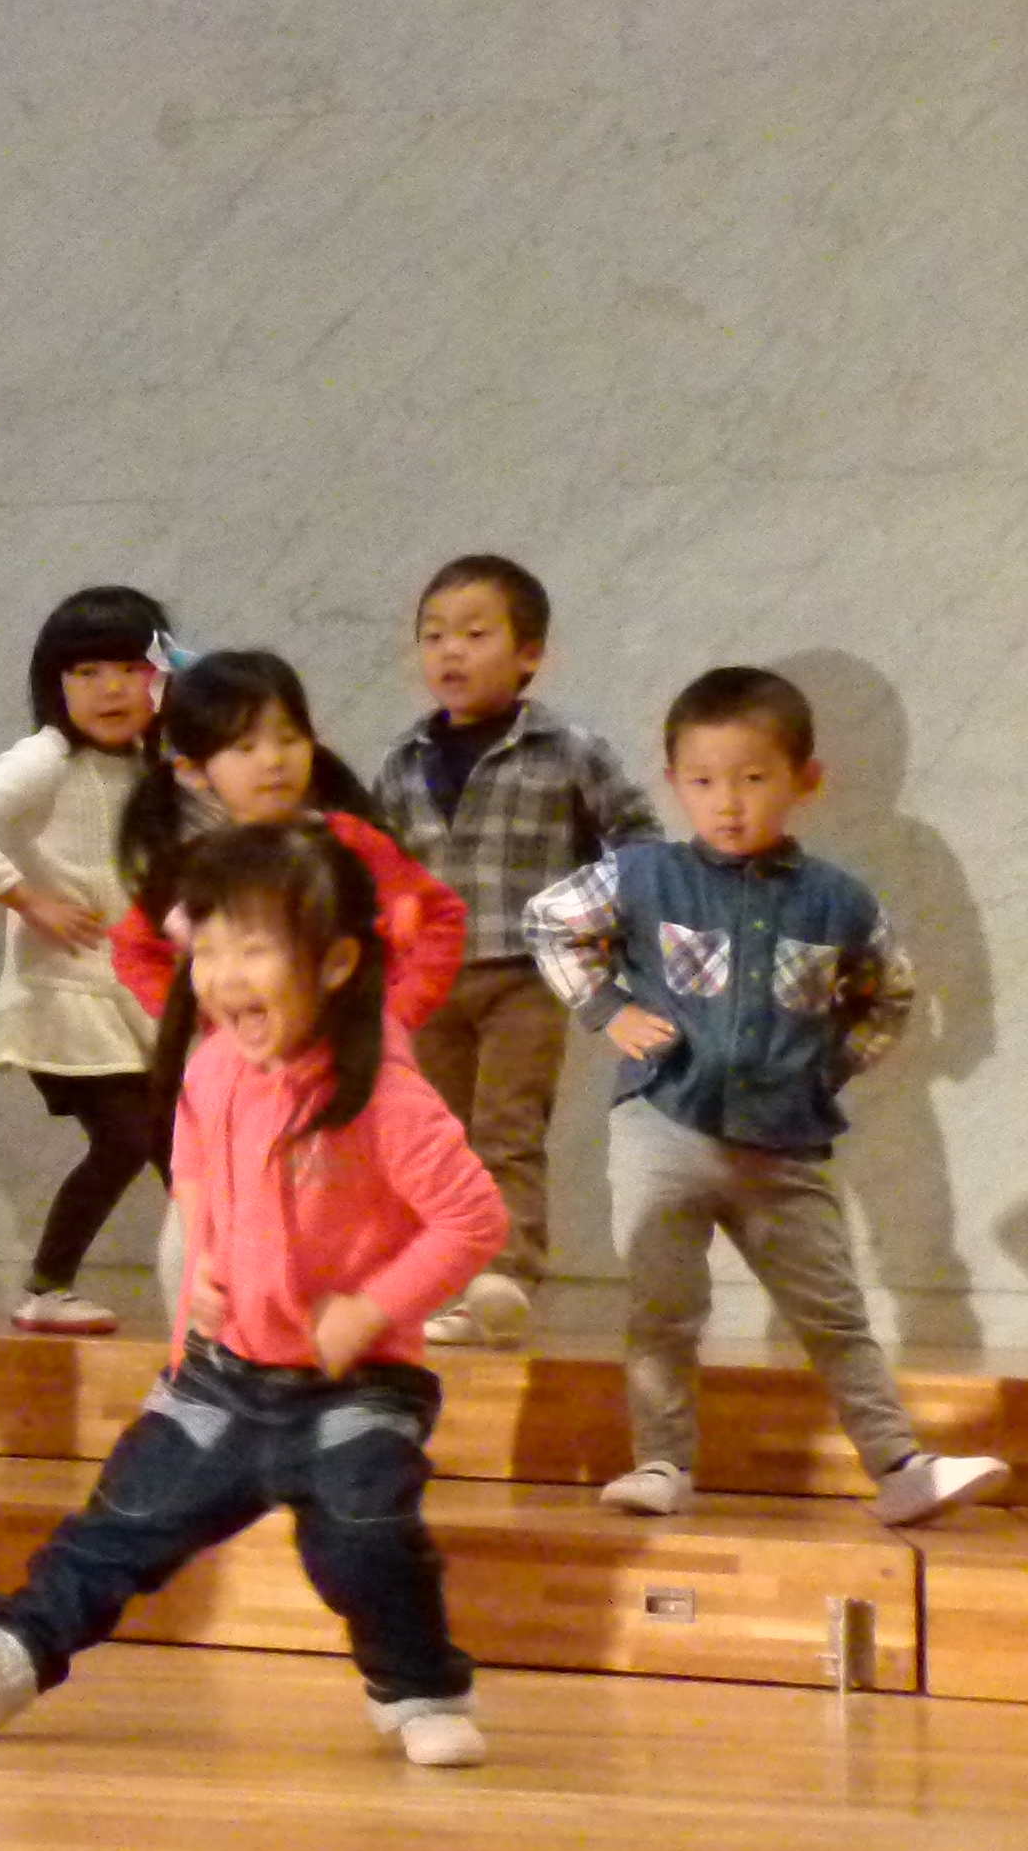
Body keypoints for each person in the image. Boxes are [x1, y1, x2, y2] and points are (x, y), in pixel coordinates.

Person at [0, 824, 502, 1767]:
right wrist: (204, 1262)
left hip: (358, 1386)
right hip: (224, 1373)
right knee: (125, 1519)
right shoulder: (214, 1064)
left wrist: (372, 1309)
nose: (222, 976)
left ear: (337, 963)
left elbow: (472, 1219)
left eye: (253, 950)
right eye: (206, 950)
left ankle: (420, 1690)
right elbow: (197, 1161)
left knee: (362, 1538)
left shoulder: (383, 1093)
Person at [527, 667, 1005, 1528]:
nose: (729, 802)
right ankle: (663, 1461)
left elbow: (888, 993)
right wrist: (607, 1009)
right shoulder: (644, 874)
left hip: (783, 1145)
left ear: (804, 780)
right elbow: (549, 920)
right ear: (673, 783)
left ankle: (900, 1465)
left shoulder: (838, 900)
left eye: (753, 778)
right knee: (664, 1306)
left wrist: (829, 1067)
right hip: (664, 1125)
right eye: (704, 781)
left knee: (835, 1313)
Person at [374, 555, 662, 1346]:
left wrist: (601, 924)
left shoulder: (569, 749)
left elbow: (637, 839)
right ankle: (437, 1280)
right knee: (433, 1136)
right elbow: (377, 866)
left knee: (506, 1128)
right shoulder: (401, 761)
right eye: (434, 635)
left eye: (475, 634)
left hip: (526, 974)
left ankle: (504, 1278)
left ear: (529, 654)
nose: (451, 651)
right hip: (426, 984)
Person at [0, 586, 172, 1334]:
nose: (111, 689)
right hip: (65, 996)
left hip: (136, 995)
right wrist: (25, 898)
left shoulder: (158, 767)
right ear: (54, 684)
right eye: (87, 672)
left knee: (181, 1147)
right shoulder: (46, 758)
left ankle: (232, 1286)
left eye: (130, 668)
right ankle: (45, 1287)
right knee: (130, 1137)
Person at [111, 649, 466, 1039]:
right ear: (193, 771)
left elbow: (440, 916)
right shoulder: (194, 867)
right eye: (245, 747)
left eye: (289, 739)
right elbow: (135, 950)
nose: (274, 760)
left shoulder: (349, 842)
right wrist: (212, 1022)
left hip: (359, 1053)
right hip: (249, 1064)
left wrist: (398, 1013)